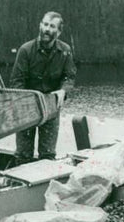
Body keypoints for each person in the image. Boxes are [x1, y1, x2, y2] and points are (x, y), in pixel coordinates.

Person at [9, 11, 76, 165]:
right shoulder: (25, 50)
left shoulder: (65, 51)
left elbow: (70, 76)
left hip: (51, 108)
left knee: (48, 155)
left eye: (52, 26)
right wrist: (25, 103)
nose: (47, 29)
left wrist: (63, 90)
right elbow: (16, 82)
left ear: (58, 32)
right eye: (45, 24)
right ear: (40, 25)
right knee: (23, 155)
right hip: (26, 107)